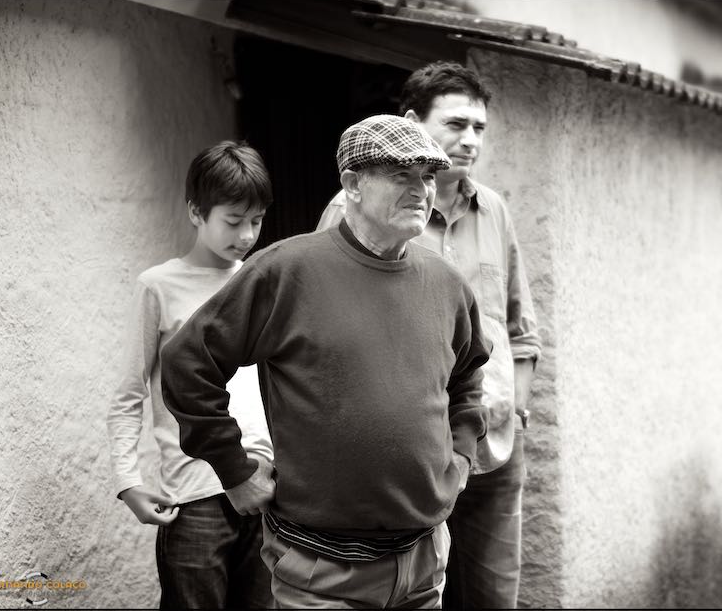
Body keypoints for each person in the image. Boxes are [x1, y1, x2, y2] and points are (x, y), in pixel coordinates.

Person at [160, 114, 492, 609]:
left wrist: (463, 455)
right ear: (353, 184)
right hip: (321, 572)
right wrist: (233, 467)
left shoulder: (446, 283)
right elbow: (188, 362)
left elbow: (467, 378)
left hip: (424, 561)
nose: (421, 188)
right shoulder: (286, 270)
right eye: (401, 174)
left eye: (427, 175)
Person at [317, 61, 541, 610]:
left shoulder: (495, 212)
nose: (470, 140)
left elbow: (520, 328)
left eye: (480, 128)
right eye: (456, 124)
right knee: (416, 596)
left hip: (491, 447)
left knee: (493, 598)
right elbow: (323, 330)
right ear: (413, 121)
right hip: (407, 457)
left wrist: (517, 408)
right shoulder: (357, 209)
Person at [106, 141, 276, 609]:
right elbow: (128, 393)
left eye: (257, 221)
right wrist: (128, 481)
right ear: (196, 212)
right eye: (233, 220)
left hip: (267, 490)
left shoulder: (262, 281)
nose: (246, 235)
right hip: (194, 493)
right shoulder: (158, 286)